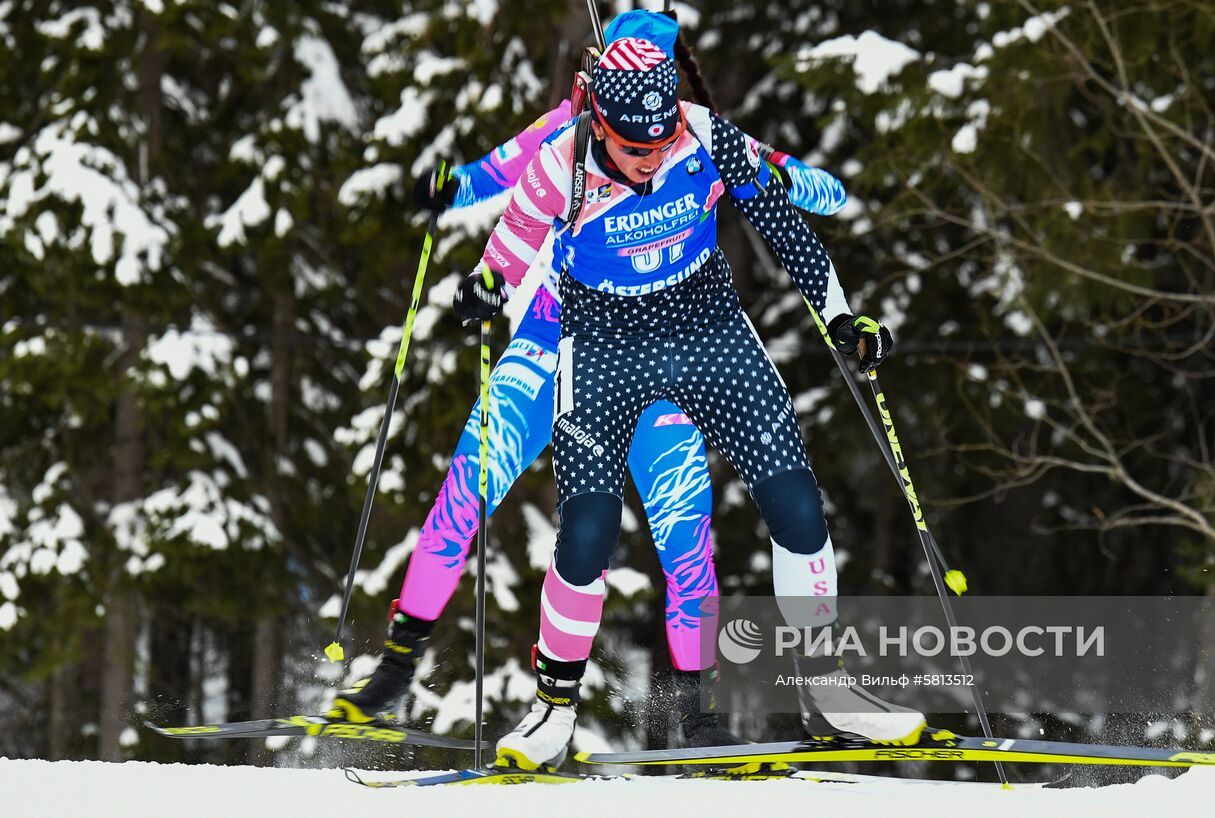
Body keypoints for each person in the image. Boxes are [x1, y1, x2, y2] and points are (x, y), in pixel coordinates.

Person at [450, 9, 920, 772]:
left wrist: (841, 318)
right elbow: (505, 254)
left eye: (661, 140)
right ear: (600, 123)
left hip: (708, 330)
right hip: (602, 343)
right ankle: (552, 711)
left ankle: (829, 692)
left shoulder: (703, 134)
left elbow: (784, 222)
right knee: (590, 527)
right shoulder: (557, 165)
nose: (650, 159)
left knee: (798, 505)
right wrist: (484, 292)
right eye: (635, 148)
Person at [329, 70, 851, 749]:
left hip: (646, 350)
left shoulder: (692, 134)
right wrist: (448, 190)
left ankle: (699, 716)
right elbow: (489, 181)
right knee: (466, 492)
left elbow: (813, 193)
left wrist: (784, 175)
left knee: (684, 529)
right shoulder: (561, 136)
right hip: (552, 339)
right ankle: (396, 667)